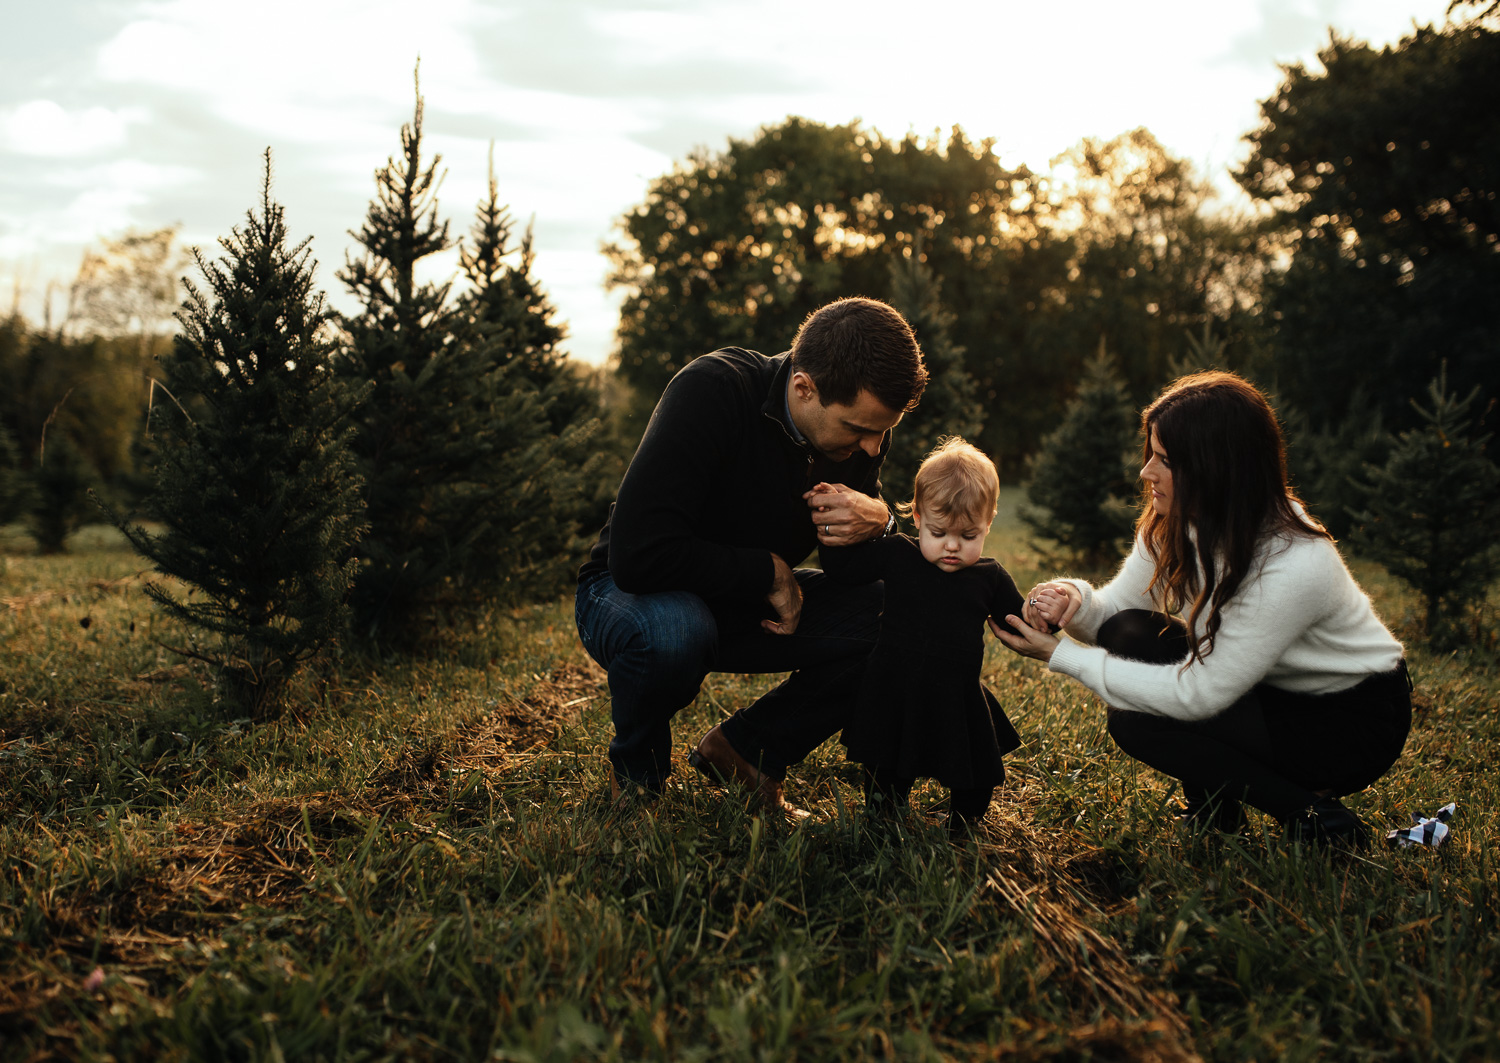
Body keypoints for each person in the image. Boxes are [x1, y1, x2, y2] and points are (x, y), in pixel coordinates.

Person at [995, 371, 1411, 848]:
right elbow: (1117, 613)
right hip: (1270, 689)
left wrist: (1059, 656)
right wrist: (1074, 601)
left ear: (1216, 468)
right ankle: (1219, 812)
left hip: (1349, 719)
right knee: (1132, 632)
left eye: (1165, 460)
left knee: (1136, 720)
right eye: (1150, 453)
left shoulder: (1294, 562)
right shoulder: (1181, 522)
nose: (1146, 472)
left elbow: (1200, 695)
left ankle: (1315, 816)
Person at [574, 297, 928, 815]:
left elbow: (847, 571)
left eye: (882, 431)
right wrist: (767, 569)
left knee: (901, 613)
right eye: (859, 429)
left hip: (740, 604)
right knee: (676, 627)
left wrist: (883, 521)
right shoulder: (713, 389)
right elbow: (636, 554)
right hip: (627, 594)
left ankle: (748, 751)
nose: (874, 447)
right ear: (804, 387)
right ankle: (637, 780)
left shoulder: (858, 438)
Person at [819, 438, 1024, 833]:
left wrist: (1046, 612)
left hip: (956, 690)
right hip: (893, 684)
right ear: (916, 514)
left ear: (989, 521)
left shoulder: (990, 577)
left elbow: (1019, 620)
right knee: (885, 764)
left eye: (968, 536)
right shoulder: (897, 553)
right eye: (939, 531)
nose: (951, 545)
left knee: (973, 771)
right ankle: (881, 821)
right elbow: (844, 571)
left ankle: (964, 824)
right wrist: (830, 526)